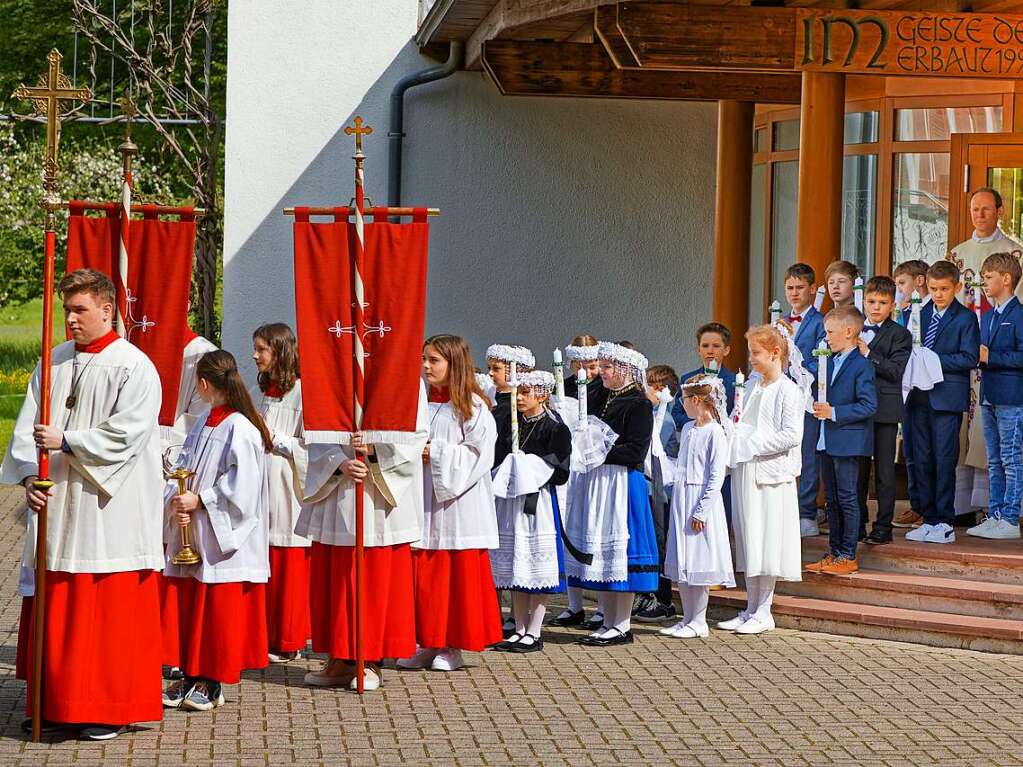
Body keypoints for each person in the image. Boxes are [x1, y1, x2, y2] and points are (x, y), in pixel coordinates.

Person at [2, 268, 165, 740]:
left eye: (80, 310)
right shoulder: (52, 362)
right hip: (58, 507)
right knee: (58, 607)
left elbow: (128, 435)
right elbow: (26, 430)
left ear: (107, 310)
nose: (70, 320)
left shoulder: (134, 366)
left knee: (103, 614)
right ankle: (54, 701)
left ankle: (106, 707)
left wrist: (68, 441)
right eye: (66, 310)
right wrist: (31, 476)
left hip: (106, 510)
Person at [160, 350, 271, 713]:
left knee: (216, 611)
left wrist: (201, 499)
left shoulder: (241, 427)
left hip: (220, 532)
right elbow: (182, 464)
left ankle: (213, 680)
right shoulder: (204, 420)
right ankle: (191, 674)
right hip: (193, 527)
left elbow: (244, 487)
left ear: (205, 384)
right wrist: (176, 497)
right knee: (190, 604)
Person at [297, 384, 428, 691]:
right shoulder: (331, 374)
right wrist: (338, 462)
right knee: (337, 578)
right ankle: (340, 658)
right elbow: (313, 432)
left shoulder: (403, 377)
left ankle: (370, 659)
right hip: (340, 488)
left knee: (373, 578)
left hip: (377, 498)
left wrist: (374, 451)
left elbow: (416, 435)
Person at [399, 335, 502, 672]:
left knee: (455, 577)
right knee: (425, 574)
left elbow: (479, 454)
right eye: (424, 359)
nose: (426, 366)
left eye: (434, 360)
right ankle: (427, 641)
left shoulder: (472, 406)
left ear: (453, 363)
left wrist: (436, 452)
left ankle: (453, 646)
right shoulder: (417, 402)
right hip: (423, 499)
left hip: (459, 504)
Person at [565, 341, 659, 647]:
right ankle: (607, 619)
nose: (601, 372)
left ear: (624, 369)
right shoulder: (601, 396)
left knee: (621, 553)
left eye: (607, 367)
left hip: (621, 482)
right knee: (604, 555)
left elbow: (636, 450)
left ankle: (622, 624)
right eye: (602, 367)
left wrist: (598, 451)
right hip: (600, 482)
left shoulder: (638, 402)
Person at [720, 324, 804, 635]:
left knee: (767, 540)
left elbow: (791, 435)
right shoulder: (753, 387)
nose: (752, 359)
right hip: (746, 471)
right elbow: (740, 420)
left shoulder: (788, 390)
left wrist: (753, 444)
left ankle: (764, 609)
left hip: (770, 475)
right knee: (749, 538)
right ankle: (750, 606)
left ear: (775, 353)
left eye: (756, 353)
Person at [948, 188, 1023, 526]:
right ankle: (966, 505)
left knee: (1002, 447)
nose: (979, 214)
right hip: (966, 352)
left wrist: (992, 351)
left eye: (986, 209)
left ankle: (1001, 511)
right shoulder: (958, 254)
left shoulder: (1014, 252)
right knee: (970, 431)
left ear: (1000, 211)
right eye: (974, 209)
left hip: (999, 360)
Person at [490, 371, 571, 653]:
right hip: (513, 503)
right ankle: (519, 627)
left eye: (525, 393)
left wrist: (530, 467)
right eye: (518, 393)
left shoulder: (555, 427)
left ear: (543, 394)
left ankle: (535, 630)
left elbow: (560, 471)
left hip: (537, 504)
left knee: (536, 567)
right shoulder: (513, 424)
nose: (520, 398)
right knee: (516, 565)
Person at [905, 261, 981, 545]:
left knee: (944, 458)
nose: (938, 294)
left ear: (957, 287)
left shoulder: (965, 318)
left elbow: (968, 357)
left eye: (944, 289)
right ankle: (928, 518)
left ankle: (946, 521)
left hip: (946, 397)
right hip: (918, 397)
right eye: (934, 289)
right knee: (922, 458)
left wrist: (932, 360)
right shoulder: (918, 314)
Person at [250, 323, 310, 663]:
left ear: (281, 352)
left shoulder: (302, 392)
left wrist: (276, 439)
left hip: (287, 485)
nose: (255, 356)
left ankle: (289, 639)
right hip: (262, 482)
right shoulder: (264, 390)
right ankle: (266, 634)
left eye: (262, 350)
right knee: (266, 560)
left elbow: (310, 446)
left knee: (287, 562)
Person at [660, 375, 734, 639]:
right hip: (682, 496)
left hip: (701, 500)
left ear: (697, 400)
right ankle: (687, 617)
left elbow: (716, 475)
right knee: (684, 558)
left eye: (685, 400)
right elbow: (681, 464)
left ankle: (699, 620)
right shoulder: (690, 429)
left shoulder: (715, 432)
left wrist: (702, 509)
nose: (682, 405)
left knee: (699, 559)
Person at [806, 306, 877, 575]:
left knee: (848, 498)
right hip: (827, 438)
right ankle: (834, 551)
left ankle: (848, 554)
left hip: (848, 439)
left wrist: (834, 412)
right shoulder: (829, 360)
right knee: (832, 499)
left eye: (830, 332)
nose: (826, 338)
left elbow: (869, 405)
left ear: (849, 332)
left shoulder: (861, 364)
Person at [968, 252, 1023, 540]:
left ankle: (1011, 518)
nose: (984, 282)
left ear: (1006, 278)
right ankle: (996, 513)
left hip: (1012, 397)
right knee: (995, 459)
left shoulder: (1020, 314)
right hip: (989, 394)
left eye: (988, 277)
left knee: (1012, 458)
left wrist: (991, 357)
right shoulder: (988, 316)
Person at [855, 277, 912, 546]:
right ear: (864, 301)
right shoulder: (853, 329)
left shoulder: (900, 334)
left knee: (885, 472)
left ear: (892, 306)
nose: (876, 307)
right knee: (857, 469)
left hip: (886, 409)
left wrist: (868, 354)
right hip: (857, 409)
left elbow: (895, 371)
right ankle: (856, 523)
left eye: (882, 303)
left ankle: (883, 526)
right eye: (871, 301)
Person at [634, 365, 681, 624]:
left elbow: (655, 458)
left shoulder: (664, 420)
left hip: (660, 489)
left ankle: (663, 599)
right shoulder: (651, 414)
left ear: (661, 391)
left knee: (659, 542)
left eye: (649, 385)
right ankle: (647, 593)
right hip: (650, 487)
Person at [784, 263, 827, 538]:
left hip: (808, 397)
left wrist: (793, 369)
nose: (795, 293)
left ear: (812, 289)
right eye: (790, 288)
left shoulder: (821, 322)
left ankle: (806, 513)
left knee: (808, 456)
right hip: (781, 399)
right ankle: (783, 511)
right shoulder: (780, 320)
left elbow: (821, 358)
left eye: (800, 288)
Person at [893, 259, 931, 529]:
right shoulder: (902, 313)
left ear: (919, 282)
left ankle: (928, 505)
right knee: (910, 450)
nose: (899, 290)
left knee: (926, 449)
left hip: (927, 391)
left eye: (902, 283)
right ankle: (915, 503)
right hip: (905, 390)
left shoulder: (930, 312)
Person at [670, 323, 736, 431]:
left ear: (726, 350)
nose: (710, 351)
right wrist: (702, 419)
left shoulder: (734, 381)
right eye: (705, 346)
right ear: (699, 350)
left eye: (716, 346)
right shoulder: (687, 379)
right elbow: (676, 417)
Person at [485, 344, 535, 446]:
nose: (490, 373)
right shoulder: (489, 397)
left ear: (515, 371)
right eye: (489, 368)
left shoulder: (522, 403)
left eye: (496, 368)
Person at [562, 334, 608, 414]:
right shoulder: (563, 387)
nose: (587, 374)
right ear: (570, 365)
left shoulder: (607, 387)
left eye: (592, 367)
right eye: (579, 368)